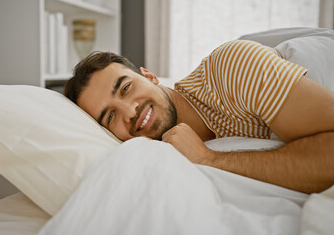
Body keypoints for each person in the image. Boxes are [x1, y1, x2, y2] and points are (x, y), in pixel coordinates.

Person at [64, 40, 334, 194]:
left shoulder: (232, 70)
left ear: (149, 76)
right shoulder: (149, 157)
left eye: (126, 88)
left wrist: (209, 159)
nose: (130, 112)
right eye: (110, 116)